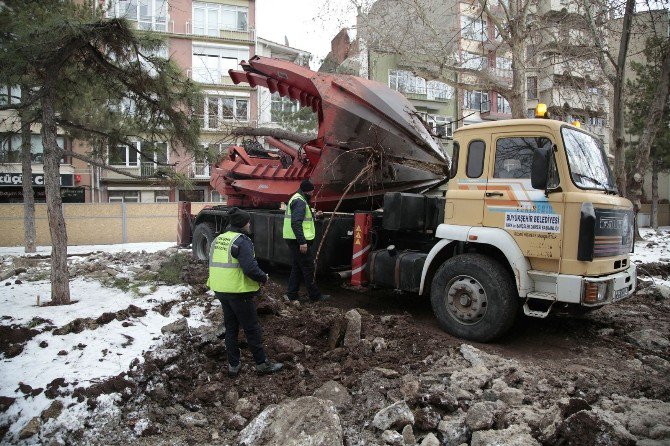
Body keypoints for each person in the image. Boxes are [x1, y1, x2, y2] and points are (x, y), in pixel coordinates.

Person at [207, 207, 283, 377]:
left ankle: (233, 365)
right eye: (248, 221)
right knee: (251, 329)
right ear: (243, 224)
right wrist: (263, 278)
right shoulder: (241, 241)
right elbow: (250, 269)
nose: (249, 224)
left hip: (221, 290)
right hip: (238, 292)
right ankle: (262, 364)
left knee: (231, 328)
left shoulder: (219, 239)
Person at [282, 179, 329, 302]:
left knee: (297, 267)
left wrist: (315, 216)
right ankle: (315, 296)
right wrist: (302, 242)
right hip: (298, 240)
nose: (313, 193)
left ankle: (292, 294)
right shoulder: (300, 201)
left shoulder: (298, 198)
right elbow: (296, 223)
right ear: (307, 191)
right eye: (312, 191)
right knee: (308, 267)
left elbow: (301, 218)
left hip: (293, 239)